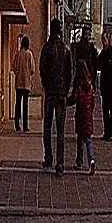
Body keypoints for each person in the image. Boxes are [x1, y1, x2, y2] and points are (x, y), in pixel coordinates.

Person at [39, 18, 73, 175]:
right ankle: (60, 163)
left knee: (47, 126)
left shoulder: (47, 48)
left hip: (51, 92)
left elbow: (42, 70)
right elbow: (69, 72)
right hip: (61, 93)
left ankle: (48, 157)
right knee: (60, 129)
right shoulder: (66, 48)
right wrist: (65, 90)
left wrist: (47, 86)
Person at [96, 32, 112, 141]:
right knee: (105, 111)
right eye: (102, 38)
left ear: (108, 39)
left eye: (105, 38)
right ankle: (107, 132)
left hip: (111, 87)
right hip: (104, 86)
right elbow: (99, 65)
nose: (103, 40)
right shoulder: (103, 53)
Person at [72, 57, 96, 173]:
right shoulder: (90, 84)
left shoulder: (79, 84)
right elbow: (92, 100)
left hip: (80, 113)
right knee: (88, 139)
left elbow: (75, 98)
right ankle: (91, 160)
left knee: (80, 139)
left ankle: (79, 161)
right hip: (88, 114)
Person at [12, 35, 36, 132]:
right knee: (25, 105)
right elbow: (33, 69)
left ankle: (17, 125)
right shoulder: (29, 54)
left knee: (17, 104)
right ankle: (25, 125)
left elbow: (14, 67)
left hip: (18, 83)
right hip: (26, 83)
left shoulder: (18, 54)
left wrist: (18, 73)